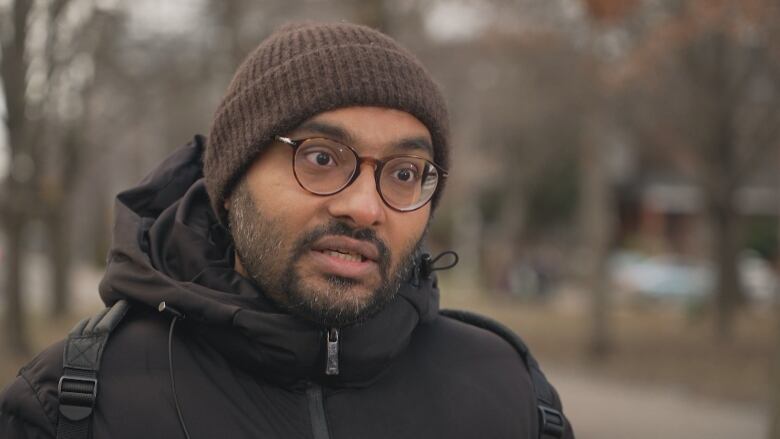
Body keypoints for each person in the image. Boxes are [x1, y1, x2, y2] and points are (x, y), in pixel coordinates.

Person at [0, 22, 574, 439]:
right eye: (321, 158)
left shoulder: (511, 396)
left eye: (403, 173)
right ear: (231, 181)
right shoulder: (74, 403)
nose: (364, 207)